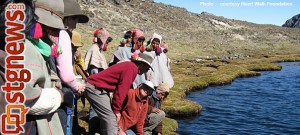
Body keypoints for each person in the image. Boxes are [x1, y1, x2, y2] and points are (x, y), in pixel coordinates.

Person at [0, 0, 67, 134]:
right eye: (52, 29)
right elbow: (25, 96)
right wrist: (57, 96)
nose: (54, 35)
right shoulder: (24, 48)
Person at [84, 53, 153, 135]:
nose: (147, 70)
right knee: (110, 118)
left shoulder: (129, 66)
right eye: (147, 68)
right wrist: (117, 110)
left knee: (109, 117)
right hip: (95, 88)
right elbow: (122, 90)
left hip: (99, 88)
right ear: (142, 64)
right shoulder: (132, 68)